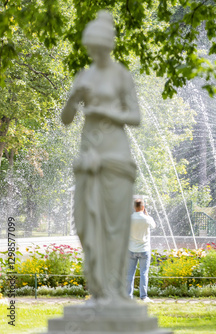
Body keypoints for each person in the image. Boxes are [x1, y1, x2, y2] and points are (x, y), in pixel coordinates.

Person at [61, 10, 140, 305]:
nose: (93, 52)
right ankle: (97, 288)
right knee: (84, 224)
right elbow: (67, 119)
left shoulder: (121, 74)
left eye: (97, 47)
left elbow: (135, 116)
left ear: (107, 45)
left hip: (116, 157)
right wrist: (72, 98)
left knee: (115, 226)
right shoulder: (85, 74)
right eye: (89, 48)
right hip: (88, 156)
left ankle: (115, 291)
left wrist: (105, 112)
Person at [126, 199, 156, 302]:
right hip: (144, 249)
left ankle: (128, 297)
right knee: (144, 273)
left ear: (134, 207)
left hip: (131, 249)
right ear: (143, 207)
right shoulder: (147, 219)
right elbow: (154, 226)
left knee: (129, 274)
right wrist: (146, 215)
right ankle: (143, 296)